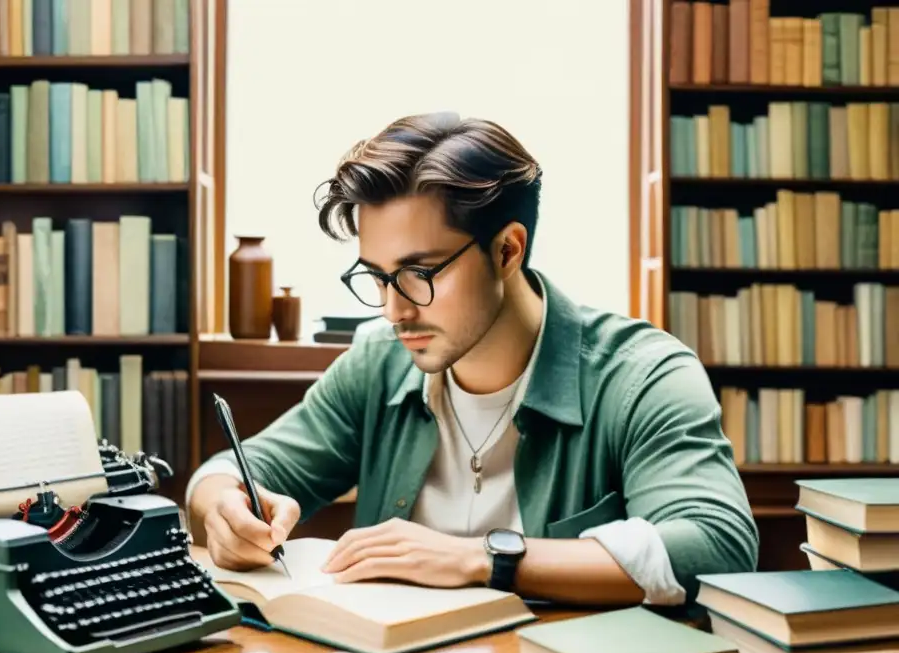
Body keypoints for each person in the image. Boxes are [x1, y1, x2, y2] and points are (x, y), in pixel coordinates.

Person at [186, 112, 758, 606]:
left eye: (420, 273)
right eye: (378, 277)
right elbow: (226, 472)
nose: (393, 310)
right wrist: (223, 509)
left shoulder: (643, 375)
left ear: (507, 249)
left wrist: (482, 560)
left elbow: (717, 546)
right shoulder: (378, 363)